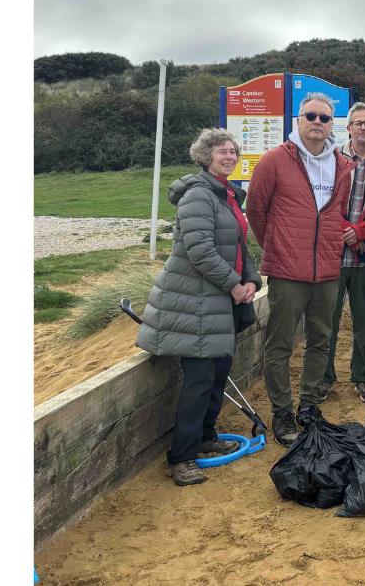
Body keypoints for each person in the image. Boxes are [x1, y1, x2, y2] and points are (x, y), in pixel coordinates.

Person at [136, 129, 262, 485]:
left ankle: (206, 438)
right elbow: (200, 251)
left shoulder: (227, 196)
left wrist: (251, 278)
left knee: (217, 373)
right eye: (222, 152)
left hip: (218, 303)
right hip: (194, 303)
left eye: (233, 152)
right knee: (199, 380)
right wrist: (235, 285)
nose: (230, 157)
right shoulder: (198, 196)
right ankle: (182, 457)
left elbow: (239, 245)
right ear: (205, 156)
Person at [247, 92, 353, 446]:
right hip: (287, 271)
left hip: (326, 269)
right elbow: (257, 213)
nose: (318, 124)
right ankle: (282, 411)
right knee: (279, 343)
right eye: (311, 116)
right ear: (298, 120)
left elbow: (337, 212)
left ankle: (309, 405)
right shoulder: (274, 161)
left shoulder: (341, 165)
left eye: (325, 118)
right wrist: (277, 247)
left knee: (321, 340)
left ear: (331, 124)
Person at [324, 102, 365, 403]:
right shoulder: (332, 160)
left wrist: (361, 233)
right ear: (347, 128)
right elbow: (325, 204)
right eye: (358, 123)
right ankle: (324, 379)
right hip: (333, 255)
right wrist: (348, 231)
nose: (363, 127)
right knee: (326, 321)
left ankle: (362, 377)